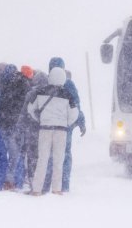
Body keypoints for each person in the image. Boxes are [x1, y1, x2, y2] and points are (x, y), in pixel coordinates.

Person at [27, 67, 78, 195]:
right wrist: (67, 123)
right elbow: (74, 113)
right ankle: (56, 189)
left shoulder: (40, 92)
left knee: (42, 159)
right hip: (61, 131)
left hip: (45, 129)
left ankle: (37, 189)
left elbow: (30, 108)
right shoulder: (68, 94)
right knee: (58, 160)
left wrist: (39, 119)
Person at [43, 57, 86, 193]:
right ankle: (63, 184)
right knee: (65, 155)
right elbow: (76, 106)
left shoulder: (45, 82)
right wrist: (80, 122)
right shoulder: (69, 84)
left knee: (47, 154)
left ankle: (46, 184)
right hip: (65, 126)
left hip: (47, 125)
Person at [0, 64, 30, 190]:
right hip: (16, 123)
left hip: (5, 122)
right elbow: (25, 105)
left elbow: (2, 104)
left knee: (6, 154)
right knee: (16, 154)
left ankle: (6, 181)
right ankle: (14, 181)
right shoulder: (23, 83)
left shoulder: (4, 84)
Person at [15, 70, 48, 189]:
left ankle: (33, 179)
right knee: (43, 156)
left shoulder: (31, 93)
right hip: (46, 129)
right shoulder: (50, 93)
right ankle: (43, 181)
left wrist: (20, 127)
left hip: (32, 128)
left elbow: (24, 111)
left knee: (32, 155)